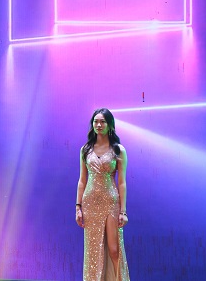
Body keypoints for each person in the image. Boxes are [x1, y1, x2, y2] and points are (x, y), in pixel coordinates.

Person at [75, 107, 130, 281]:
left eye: (103, 122)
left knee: (114, 249)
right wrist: (78, 207)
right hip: (90, 202)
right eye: (96, 121)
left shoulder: (118, 150)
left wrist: (123, 211)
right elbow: (82, 180)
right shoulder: (85, 150)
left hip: (111, 201)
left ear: (110, 125)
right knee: (93, 251)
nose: (99, 125)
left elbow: (122, 182)